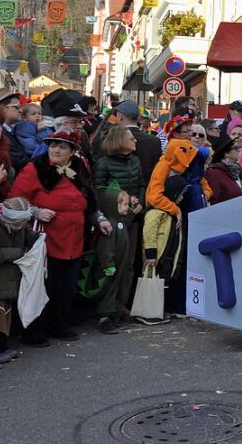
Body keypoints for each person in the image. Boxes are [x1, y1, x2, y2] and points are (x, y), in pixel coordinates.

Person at [11, 131, 112, 344]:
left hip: (74, 239)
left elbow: (89, 200)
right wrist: (36, 211)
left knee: (66, 286)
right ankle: (34, 331)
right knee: (43, 286)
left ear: (72, 152)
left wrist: (99, 219)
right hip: (45, 239)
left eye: (62, 147)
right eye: (53, 145)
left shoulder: (78, 169)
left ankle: (59, 325)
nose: (56, 149)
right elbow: (14, 201)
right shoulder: (35, 169)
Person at [145, 135, 210, 314]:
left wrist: (204, 195)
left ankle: (172, 305)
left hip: (177, 218)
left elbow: (202, 181)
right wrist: (175, 209)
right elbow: (154, 196)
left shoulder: (187, 166)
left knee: (175, 263)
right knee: (163, 263)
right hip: (165, 218)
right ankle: (156, 308)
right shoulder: (164, 166)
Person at [0, 197, 39, 363]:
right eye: (17, 225)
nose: (20, 228)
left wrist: (37, 238)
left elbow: (27, 235)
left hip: (9, 277)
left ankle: (1, 347)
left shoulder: (19, 224)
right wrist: (19, 253)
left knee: (5, 313)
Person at [140, 175, 187, 325]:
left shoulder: (171, 213)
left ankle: (158, 311)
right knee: (154, 282)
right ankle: (148, 313)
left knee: (163, 284)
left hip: (168, 256)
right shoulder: (156, 212)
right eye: (180, 194)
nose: (182, 197)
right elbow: (149, 232)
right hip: (158, 255)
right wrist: (151, 253)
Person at [94, 186, 140, 334]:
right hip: (111, 268)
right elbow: (105, 249)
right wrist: (108, 264)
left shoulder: (119, 222)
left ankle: (115, 315)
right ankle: (104, 319)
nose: (127, 207)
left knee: (117, 290)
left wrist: (132, 211)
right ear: (113, 206)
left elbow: (127, 220)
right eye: (124, 204)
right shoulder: (111, 226)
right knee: (108, 291)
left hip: (119, 266)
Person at [93, 126, 144, 208]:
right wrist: (126, 199)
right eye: (131, 139)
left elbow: (141, 184)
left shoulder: (135, 160)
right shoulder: (103, 164)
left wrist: (140, 202)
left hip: (133, 211)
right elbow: (99, 192)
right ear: (120, 141)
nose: (135, 140)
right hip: (113, 212)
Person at [113, 101, 161, 187]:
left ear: (120, 117)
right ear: (138, 118)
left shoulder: (113, 138)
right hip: (147, 191)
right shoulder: (154, 141)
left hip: (119, 193)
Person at [203, 134, 242, 205]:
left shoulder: (238, 170)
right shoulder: (214, 174)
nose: (238, 150)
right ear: (227, 153)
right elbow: (213, 201)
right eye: (235, 148)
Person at [13, 102, 45, 175]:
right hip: (32, 159)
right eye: (33, 114)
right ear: (24, 117)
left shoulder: (41, 126)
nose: (37, 116)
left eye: (39, 114)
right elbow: (31, 147)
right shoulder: (23, 128)